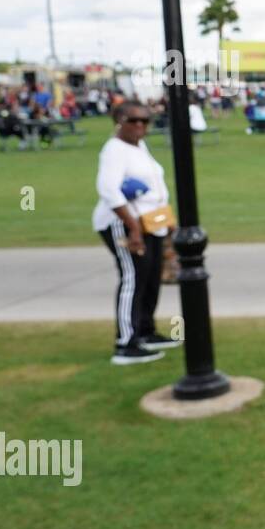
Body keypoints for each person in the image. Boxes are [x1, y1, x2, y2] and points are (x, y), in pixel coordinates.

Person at [91, 101, 181, 364]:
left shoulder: (138, 146)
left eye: (145, 120)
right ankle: (125, 343)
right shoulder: (114, 150)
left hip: (151, 222)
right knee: (133, 278)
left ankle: (145, 331)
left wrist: (167, 220)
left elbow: (153, 187)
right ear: (118, 121)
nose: (140, 125)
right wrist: (133, 229)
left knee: (152, 276)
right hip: (124, 223)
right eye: (133, 120)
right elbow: (108, 191)